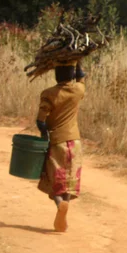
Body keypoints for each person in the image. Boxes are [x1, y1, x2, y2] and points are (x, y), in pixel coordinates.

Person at [36, 61, 86, 232]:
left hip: (57, 142)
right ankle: (65, 204)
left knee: (54, 179)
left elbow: (40, 120)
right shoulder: (78, 90)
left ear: (56, 75)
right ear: (71, 75)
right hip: (75, 143)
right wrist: (79, 60)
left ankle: (59, 205)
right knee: (69, 180)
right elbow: (81, 77)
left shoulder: (49, 94)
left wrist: (44, 134)